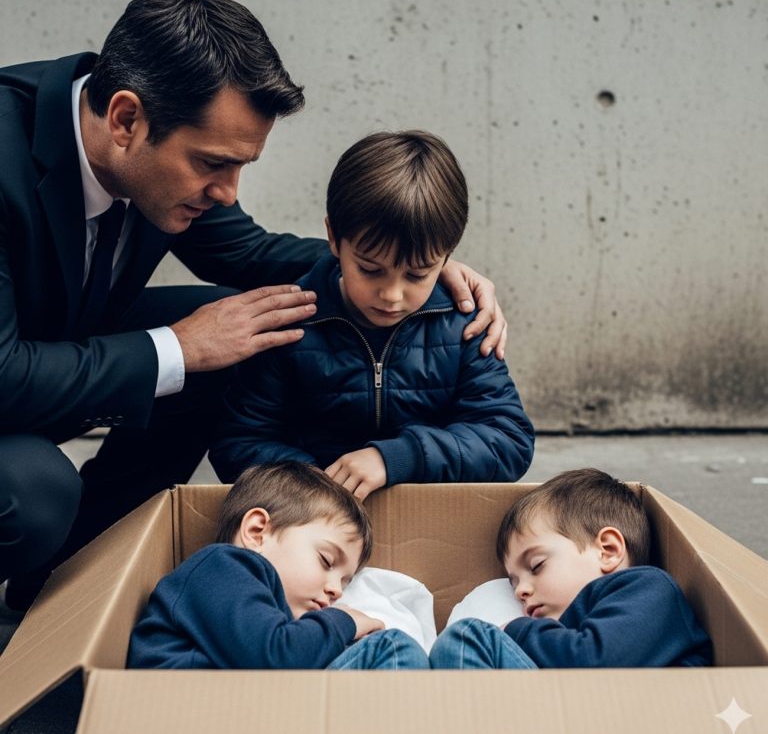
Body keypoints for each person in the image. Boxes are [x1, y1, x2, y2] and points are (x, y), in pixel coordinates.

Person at [0, 0, 507, 609]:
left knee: (243, 328)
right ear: (127, 119)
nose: (229, 192)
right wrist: (179, 348)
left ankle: (70, 578)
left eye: (242, 166)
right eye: (214, 164)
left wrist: (413, 266)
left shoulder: (152, 155)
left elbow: (253, 254)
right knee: (33, 492)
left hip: (44, 347)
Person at [209, 131, 535, 500]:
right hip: (309, 513)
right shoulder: (288, 324)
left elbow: (508, 440)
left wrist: (400, 457)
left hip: (426, 513)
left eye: (416, 274)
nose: (391, 295)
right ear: (334, 238)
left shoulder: (464, 325)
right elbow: (239, 441)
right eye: (369, 269)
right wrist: (313, 483)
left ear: (447, 255)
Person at [127, 461, 429, 670]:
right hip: (186, 710)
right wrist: (344, 621)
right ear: (257, 532)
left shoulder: (269, 619)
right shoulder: (221, 567)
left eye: (345, 581)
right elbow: (273, 656)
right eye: (326, 560)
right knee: (392, 647)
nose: (336, 591)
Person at [429, 468, 712, 668]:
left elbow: (594, 660)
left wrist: (515, 630)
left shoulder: (650, 589)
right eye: (513, 582)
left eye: (536, 566)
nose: (520, 591)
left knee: (467, 638)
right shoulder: (565, 628)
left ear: (608, 551)